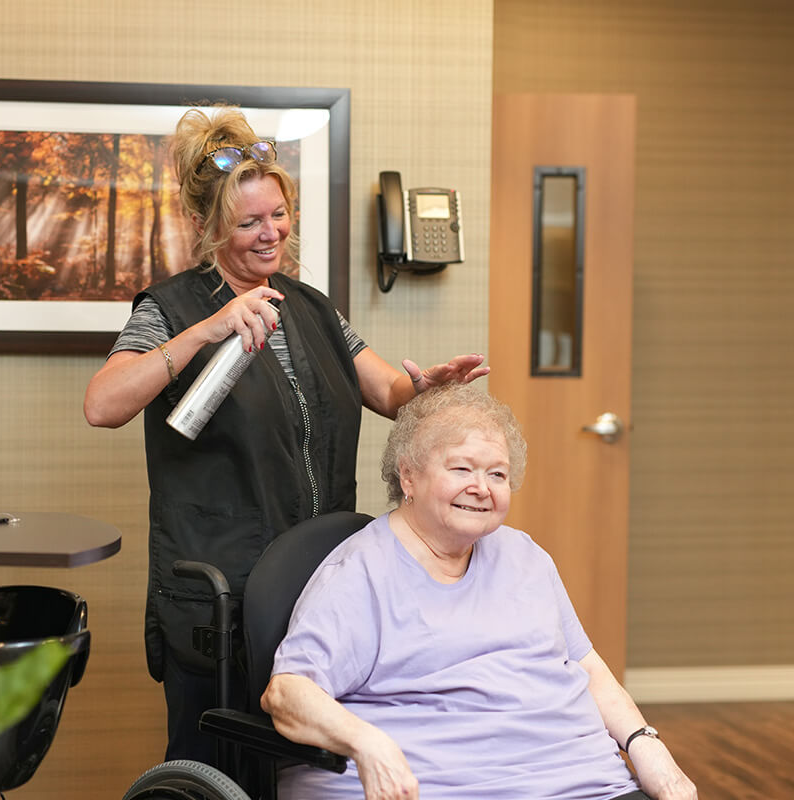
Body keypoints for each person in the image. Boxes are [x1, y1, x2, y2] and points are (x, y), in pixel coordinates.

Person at [83, 106, 489, 767]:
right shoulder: (170, 309)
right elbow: (102, 405)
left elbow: (388, 392)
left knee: (308, 766)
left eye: (277, 214)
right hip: (225, 602)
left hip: (319, 590)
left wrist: (431, 386)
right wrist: (209, 329)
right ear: (205, 226)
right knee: (221, 761)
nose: (270, 233)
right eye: (248, 222)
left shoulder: (310, 308)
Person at [261, 383, 698, 800]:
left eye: (497, 474)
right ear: (408, 477)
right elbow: (287, 693)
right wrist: (370, 744)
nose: (481, 488)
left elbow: (586, 668)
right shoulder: (361, 572)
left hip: (583, 781)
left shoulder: (524, 556)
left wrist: (645, 745)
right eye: (461, 468)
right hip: (444, 785)